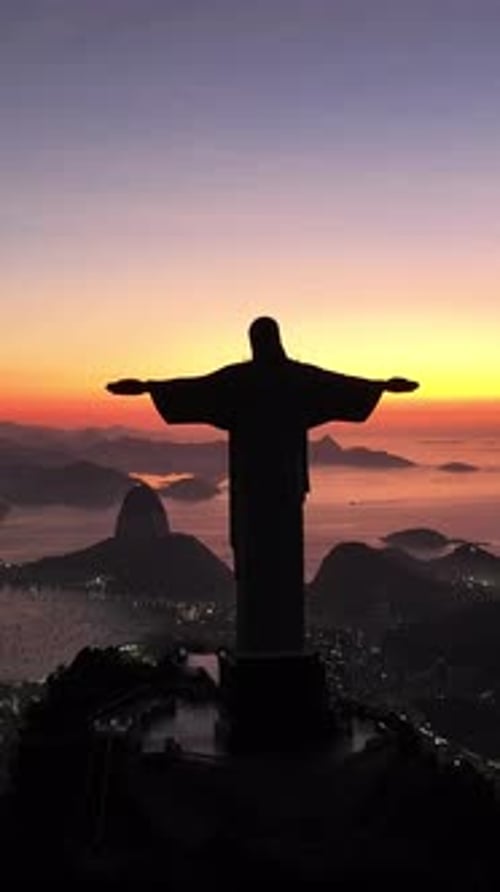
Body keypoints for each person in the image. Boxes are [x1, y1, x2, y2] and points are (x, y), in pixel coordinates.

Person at [107, 317, 418, 653]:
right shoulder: (298, 380)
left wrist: (148, 387)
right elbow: (340, 385)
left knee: (256, 565)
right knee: (284, 562)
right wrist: (381, 387)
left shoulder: (238, 383)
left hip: (251, 490)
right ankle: (281, 648)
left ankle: (260, 648)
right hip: (285, 486)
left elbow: (194, 388)